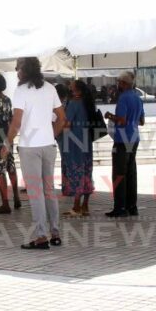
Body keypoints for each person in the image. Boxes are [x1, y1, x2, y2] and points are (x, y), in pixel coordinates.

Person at [3, 57, 67, 249]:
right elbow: (62, 118)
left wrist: (7, 144)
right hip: (49, 146)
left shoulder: (21, 91)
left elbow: (16, 122)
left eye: (18, 68)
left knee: (36, 192)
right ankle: (55, 233)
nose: (16, 72)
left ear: (26, 70)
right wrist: (51, 135)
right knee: (49, 190)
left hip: (29, 147)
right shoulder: (50, 88)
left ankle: (41, 235)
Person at [104, 70, 144, 217]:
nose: (118, 84)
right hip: (134, 138)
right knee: (131, 172)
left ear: (124, 83)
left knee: (119, 173)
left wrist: (109, 115)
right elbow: (142, 121)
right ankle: (132, 206)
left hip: (122, 139)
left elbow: (122, 120)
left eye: (119, 82)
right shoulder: (137, 98)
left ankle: (120, 208)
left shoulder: (123, 98)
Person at [0, 73, 22, 214]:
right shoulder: (7, 100)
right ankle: (17, 198)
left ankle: (5, 204)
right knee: (10, 167)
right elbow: (10, 119)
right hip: (7, 137)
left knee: (0, 171)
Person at [62, 79, 95, 217]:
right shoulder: (88, 103)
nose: (70, 85)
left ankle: (76, 206)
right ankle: (85, 205)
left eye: (72, 85)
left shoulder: (73, 103)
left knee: (76, 171)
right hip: (86, 140)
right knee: (86, 171)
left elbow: (67, 123)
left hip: (75, 141)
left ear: (77, 90)